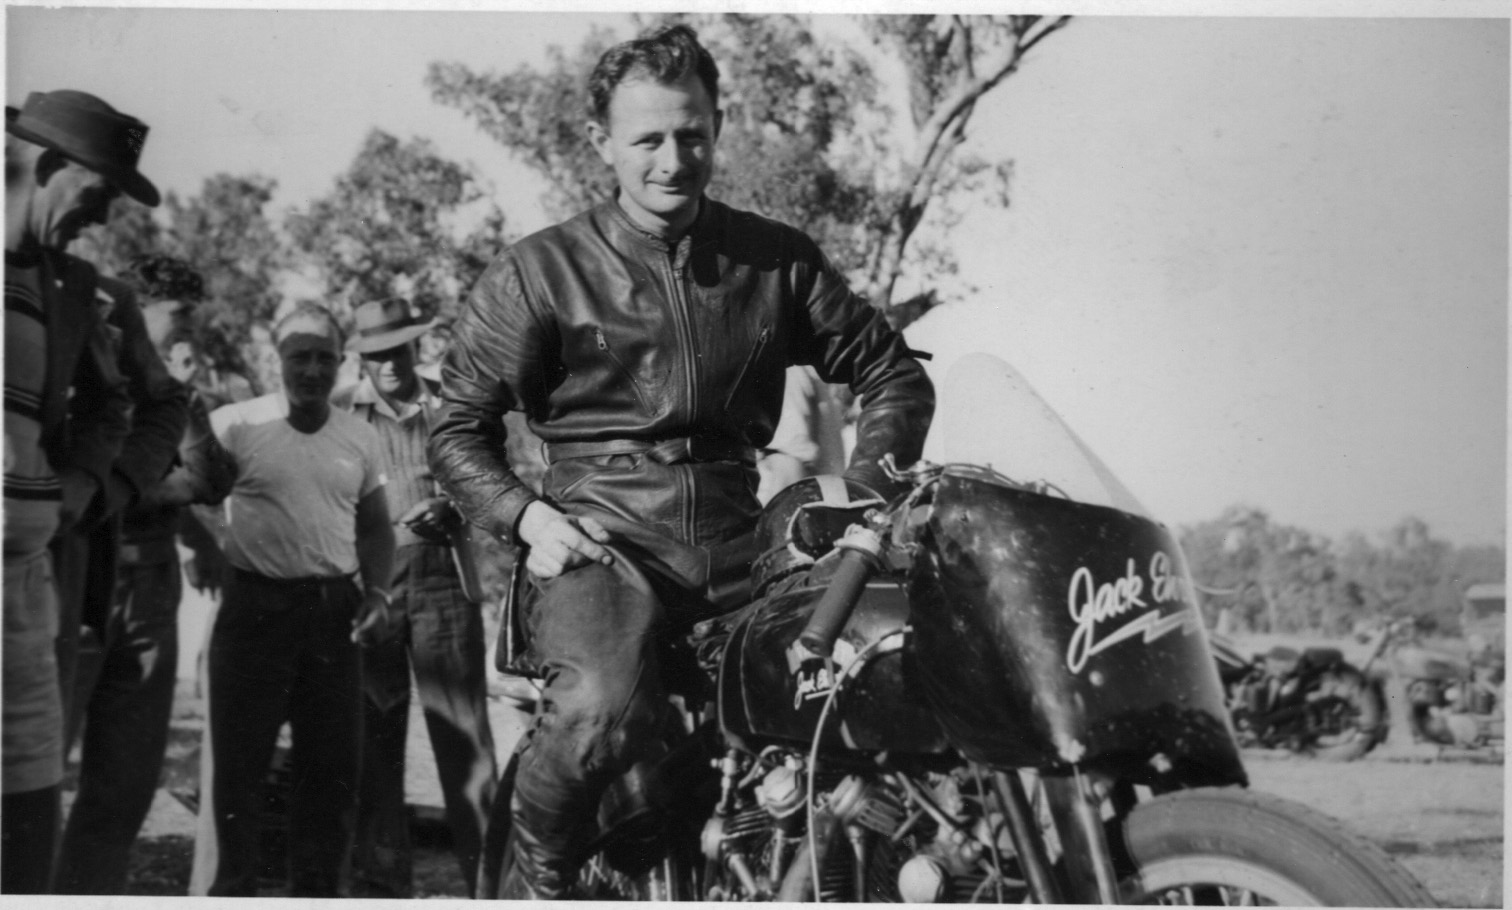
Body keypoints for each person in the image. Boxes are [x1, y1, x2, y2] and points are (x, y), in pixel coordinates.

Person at [429, 24, 934, 899]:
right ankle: (539, 875)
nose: (673, 159)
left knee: (884, 668)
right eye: (648, 139)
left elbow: (891, 373)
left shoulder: (776, 259)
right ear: (601, 144)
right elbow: (454, 429)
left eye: (692, 134)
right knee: (596, 709)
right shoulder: (538, 272)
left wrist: (862, 493)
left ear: (718, 126)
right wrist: (528, 518)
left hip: (748, 541)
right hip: (600, 539)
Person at [3, 89, 152, 893]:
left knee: (28, 805)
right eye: (94, 198)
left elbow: (119, 402)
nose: (98, 221)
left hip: (27, 592)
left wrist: (84, 483)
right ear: (51, 164)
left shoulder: (69, 285)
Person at [54, 258, 236, 894]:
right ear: (137, 310)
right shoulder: (81, 368)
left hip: (152, 589)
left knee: (123, 786)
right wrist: (157, 488)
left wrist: (178, 409)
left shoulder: (178, 394)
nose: (190, 335)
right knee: (34, 771)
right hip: (78, 584)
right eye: (178, 319)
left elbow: (211, 480)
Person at [201, 302, 395, 897]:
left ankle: (317, 895)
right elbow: (194, 497)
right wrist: (205, 550)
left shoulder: (359, 435)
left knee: (331, 773)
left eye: (324, 358)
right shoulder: (235, 424)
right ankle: (231, 892)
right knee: (239, 773)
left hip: (333, 616)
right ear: (274, 359)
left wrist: (380, 593)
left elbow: (375, 526)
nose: (312, 370)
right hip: (253, 610)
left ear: (341, 363)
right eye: (298, 356)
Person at [332, 297, 497, 898]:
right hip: (372, 581)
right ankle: (380, 883)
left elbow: (488, 478)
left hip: (445, 578)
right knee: (373, 734)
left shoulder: (449, 402)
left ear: (415, 348)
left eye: (399, 351)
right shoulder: (342, 412)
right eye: (377, 356)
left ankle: (490, 883)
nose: (392, 365)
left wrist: (452, 506)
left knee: (462, 732)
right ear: (363, 360)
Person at [756, 364, 848, 504]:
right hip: (817, 477)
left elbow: (794, 441)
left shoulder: (788, 371)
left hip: (788, 468)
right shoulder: (813, 375)